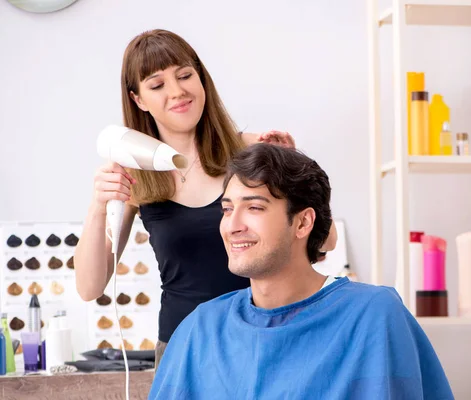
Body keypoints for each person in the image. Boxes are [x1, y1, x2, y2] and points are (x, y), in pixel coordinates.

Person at [73, 29, 337, 367]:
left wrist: (294, 183)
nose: (177, 91)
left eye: (185, 75)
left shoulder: (253, 151)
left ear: (201, 79)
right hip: (184, 351)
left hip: (269, 340)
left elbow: (326, 241)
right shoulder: (134, 174)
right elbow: (88, 287)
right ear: (139, 100)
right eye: (157, 85)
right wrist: (99, 205)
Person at [149, 143, 454, 400]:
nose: (233, 225)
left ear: (303, 223)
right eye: (227, 209)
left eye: (254, 208)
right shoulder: (200, 330)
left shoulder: (373, 316)